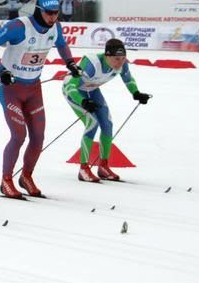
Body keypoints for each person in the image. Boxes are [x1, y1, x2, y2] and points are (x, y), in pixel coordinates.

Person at [0, 0, 80, 199]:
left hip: (34, 89)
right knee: (18, 136)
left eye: (56, 13)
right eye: (49, 13)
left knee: (38, 137)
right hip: (12, 89)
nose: (53, 17)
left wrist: (69, 62)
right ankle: (6, 180)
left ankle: (26, 176)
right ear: (39, 10)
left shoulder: (55, 27)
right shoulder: (19, 26)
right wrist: (1, 70)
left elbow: (61, 44)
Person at [64, 39, 151, 182]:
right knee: (92, 123)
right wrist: (83, 101)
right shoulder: (92, 64)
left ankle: (103, 166)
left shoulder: (122, 64)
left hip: (92, 90)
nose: (120, 62)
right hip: (75, 92)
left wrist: (136, 93)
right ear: (107, 56)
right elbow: (70, 87)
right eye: (117, 59)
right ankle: (83, 168)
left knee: (107, 125)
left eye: (123, 58)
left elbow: (128, 79)